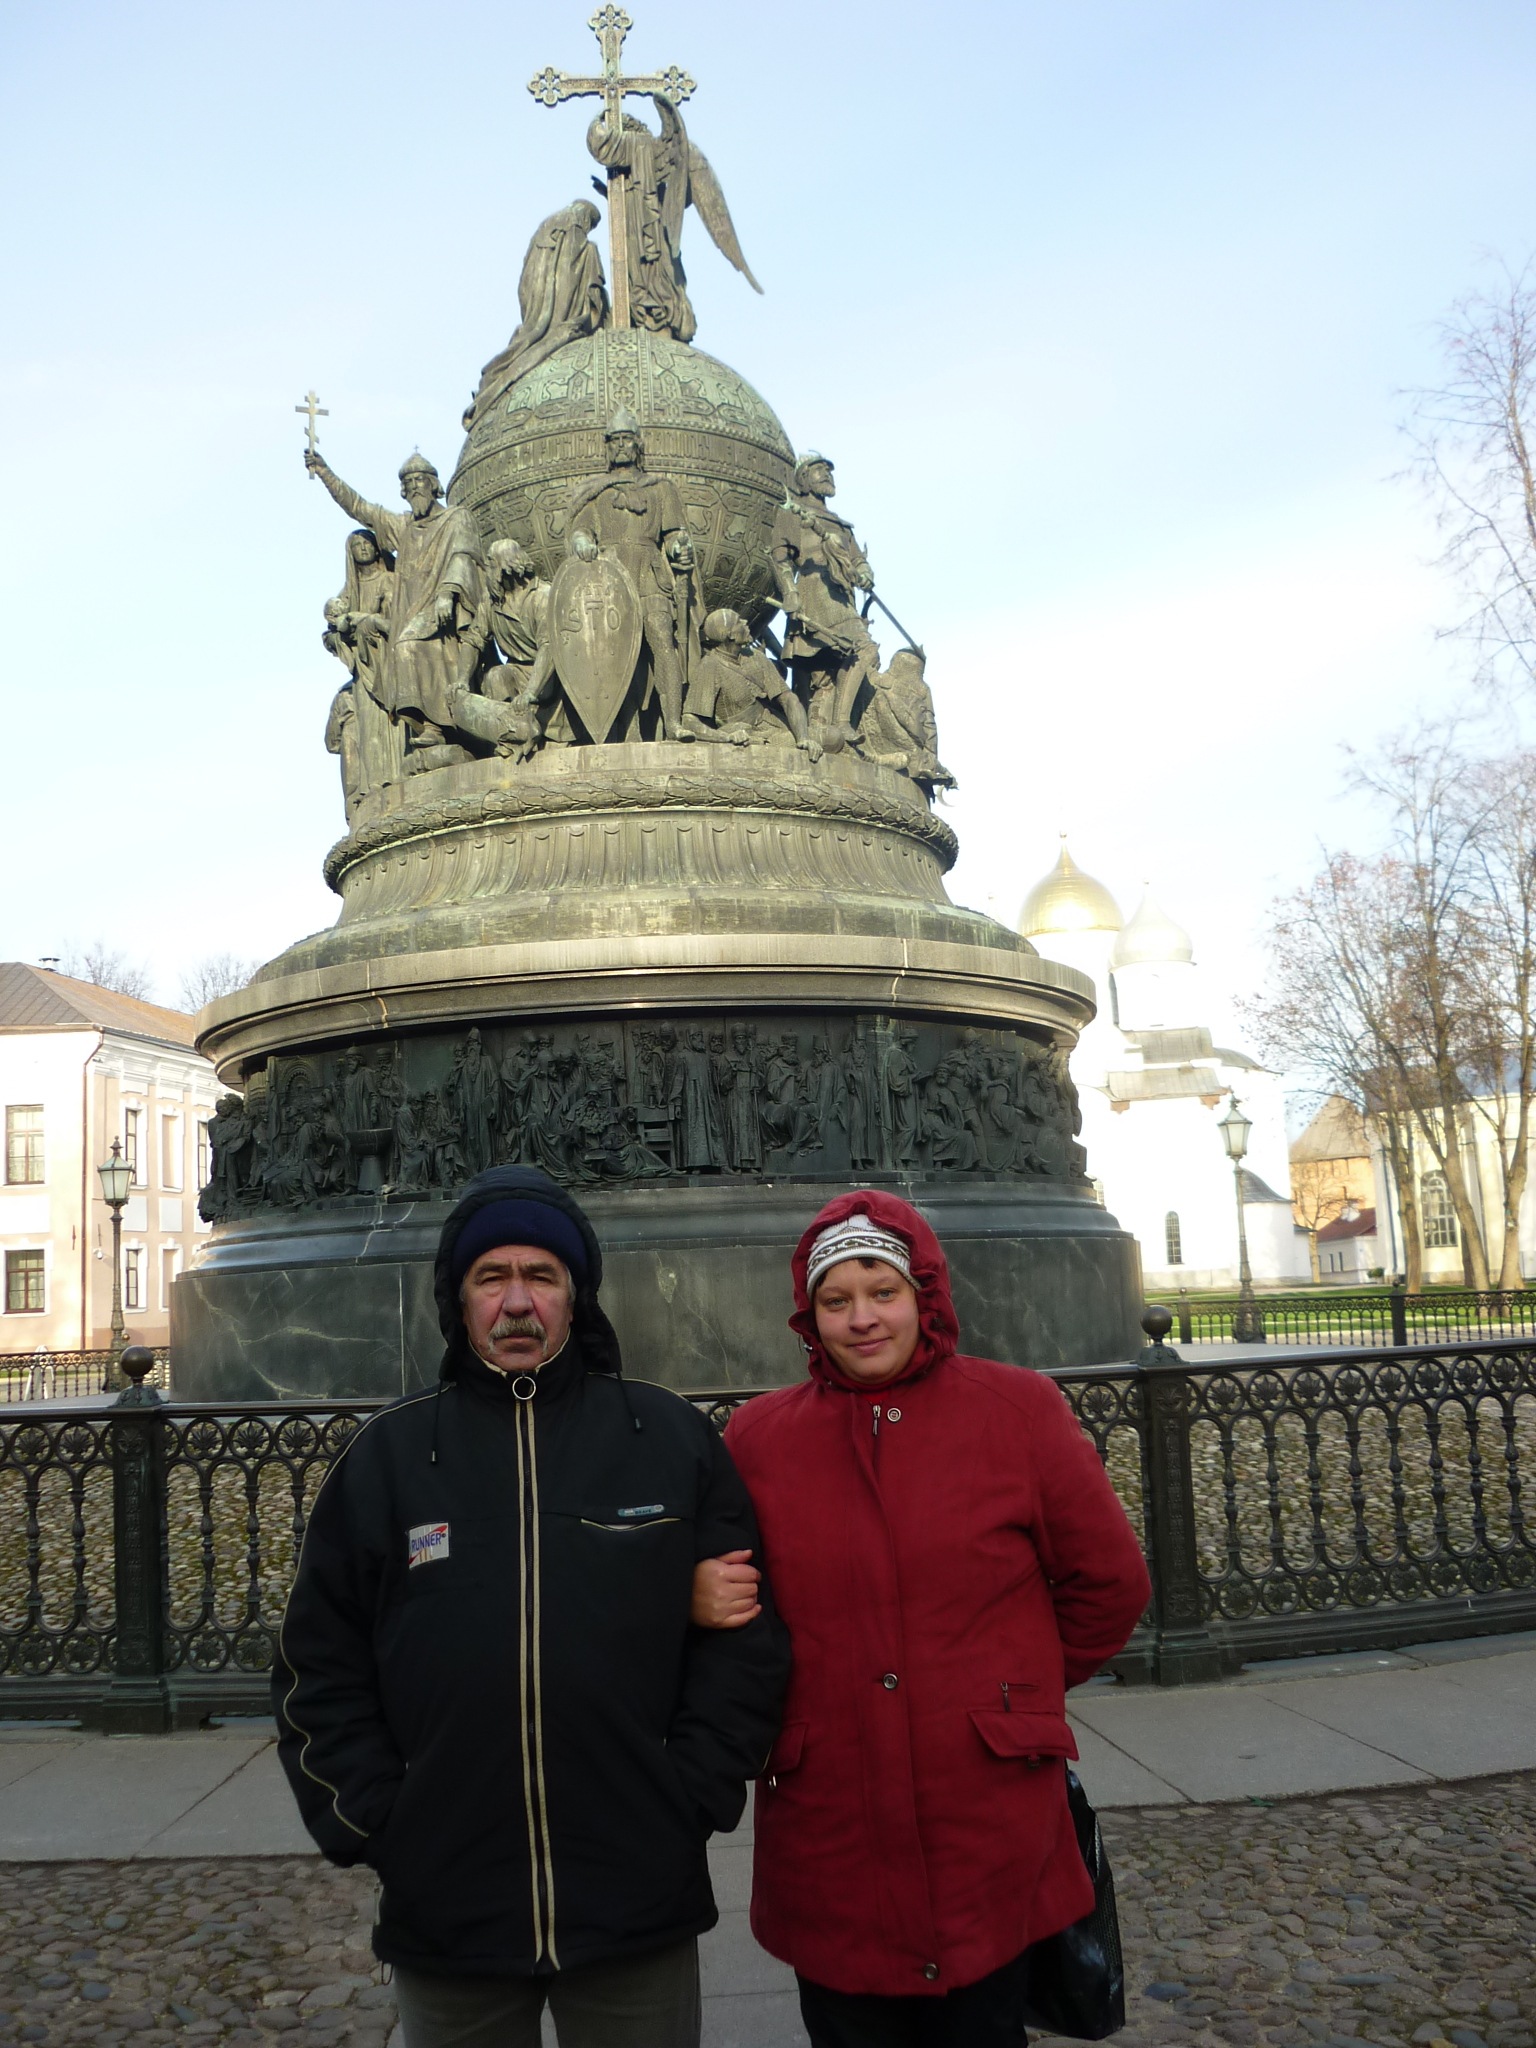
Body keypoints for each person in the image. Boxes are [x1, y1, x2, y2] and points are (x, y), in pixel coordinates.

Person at [274, 1166, 790, 2048]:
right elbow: (317, 1663)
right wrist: (379, 1822)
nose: (517, 1302)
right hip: (448, 1905)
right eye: (492, 1278)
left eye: (541, 1277)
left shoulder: (667, 1438)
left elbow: (746, 1642)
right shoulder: (388, 1458)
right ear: (460, 1300)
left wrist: (690, 1794)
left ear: (576, 1298)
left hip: (635, 1896)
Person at [697, 1189, 1150, 2047]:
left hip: (981, 1808)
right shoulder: (759, 1438)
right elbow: (734, 1592)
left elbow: (1108, 1583)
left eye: (884, 1292)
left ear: (925, 1295)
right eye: (837, 1300)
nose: (862, 1318)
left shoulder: (1016, 1411)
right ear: (810, 1315)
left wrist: (1009, 1695)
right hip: (830, 1807)